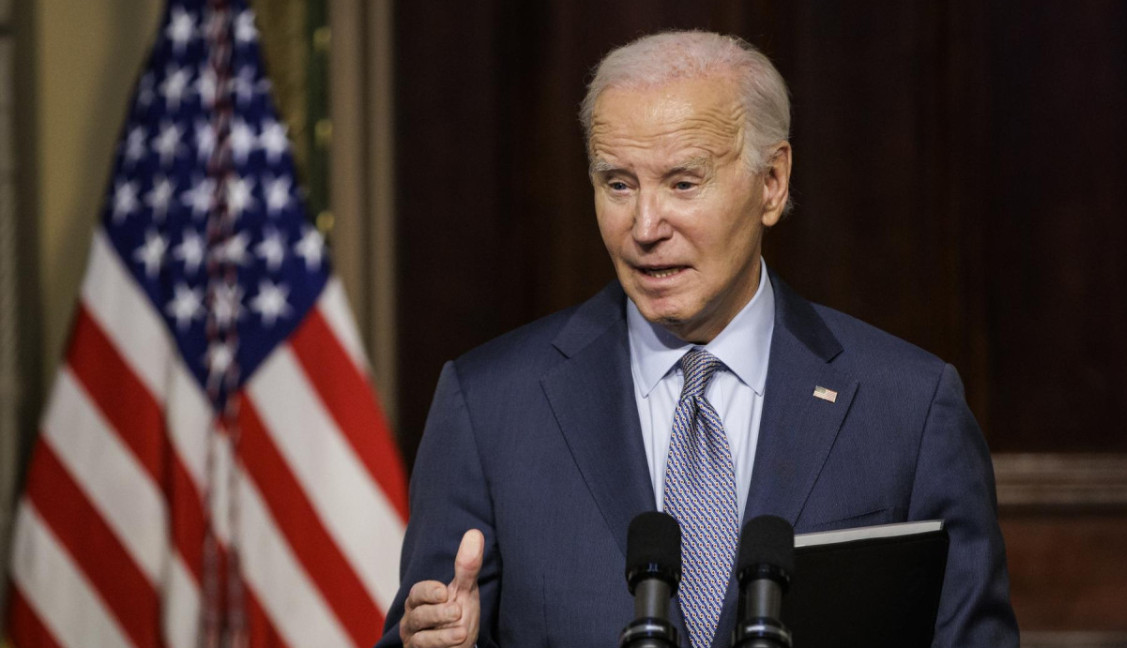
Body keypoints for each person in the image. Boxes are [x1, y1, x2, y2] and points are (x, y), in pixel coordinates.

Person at [376, 30, 1019, 648]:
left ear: (772, 182)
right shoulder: (489, 407)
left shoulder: (908, 407)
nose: (645, 225)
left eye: (683, 182)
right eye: (618, 184)